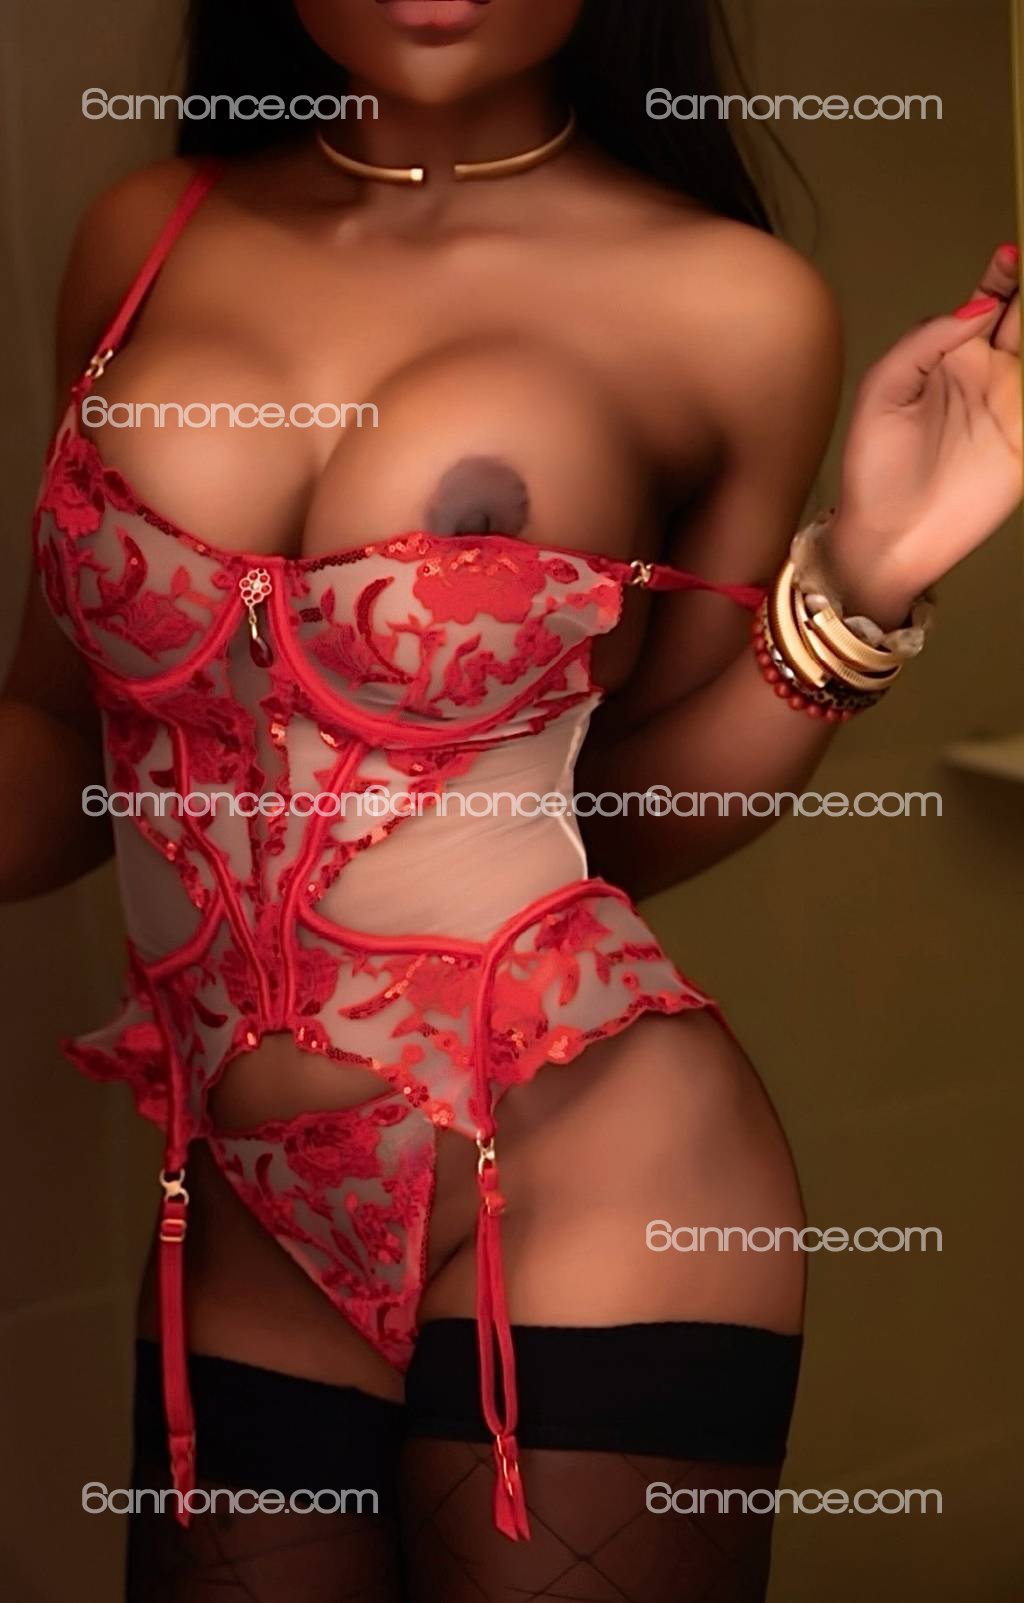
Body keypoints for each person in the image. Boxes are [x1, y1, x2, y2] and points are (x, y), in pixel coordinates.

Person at [5, 2, 1020, 1598]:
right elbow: (59, 752)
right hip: (244, 1212)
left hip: (585, 1171)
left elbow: (615, 821)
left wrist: (868, 581)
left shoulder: (731, 303)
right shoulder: (150, 234)